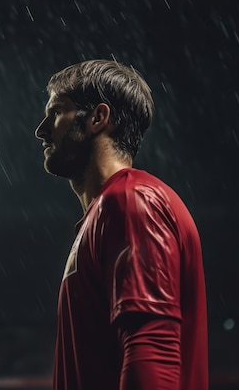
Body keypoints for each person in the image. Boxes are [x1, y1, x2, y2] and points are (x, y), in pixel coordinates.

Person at [34, 60, 208, 390]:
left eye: (56, 111)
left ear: (98, 118)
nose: (42, 129)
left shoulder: (131, 201)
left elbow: (152, 351)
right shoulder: (106, 213)